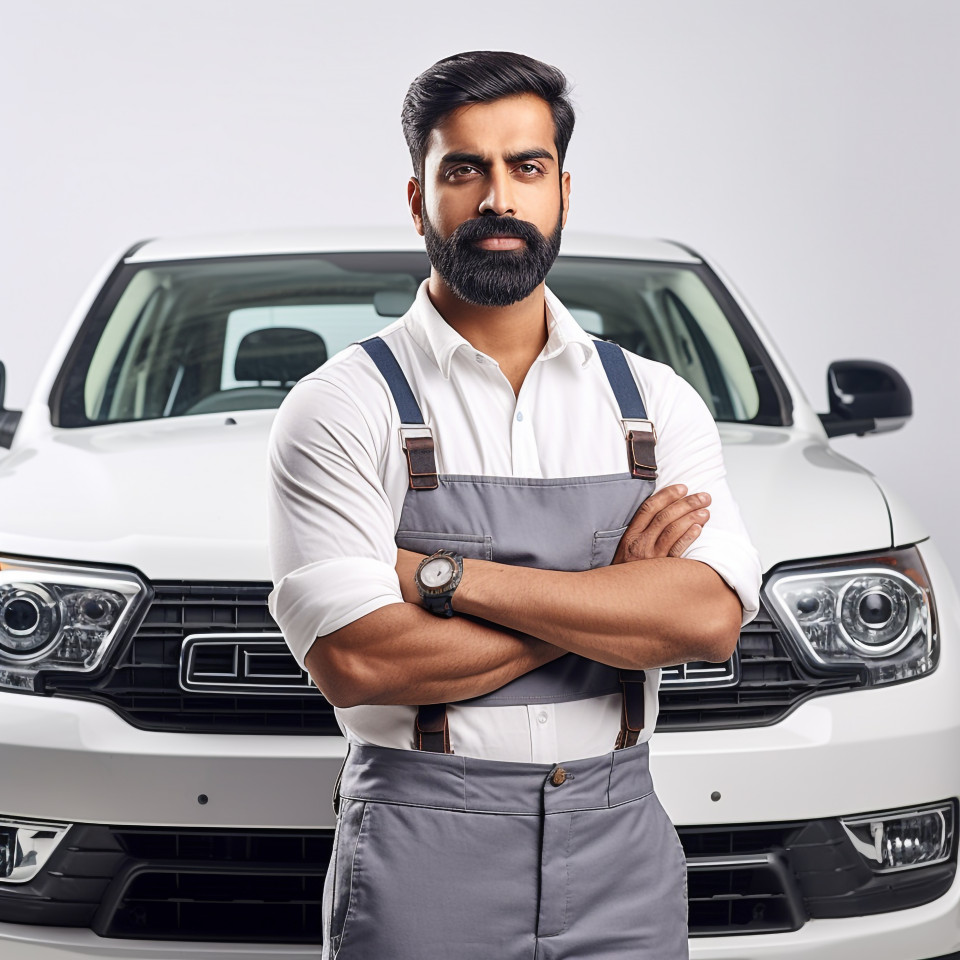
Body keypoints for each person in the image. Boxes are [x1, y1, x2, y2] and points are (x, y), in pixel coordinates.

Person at [267, 50, 761, 960]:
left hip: (624, 838)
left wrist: (444, 578)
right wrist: (613, 594)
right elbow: (360, 662)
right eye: (465, 169)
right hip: (422, 841)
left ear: (563, 191)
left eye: (525, 167)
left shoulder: (658, 402)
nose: (499, 197)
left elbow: (706, 619)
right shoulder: (341, 405)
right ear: (420, 200)